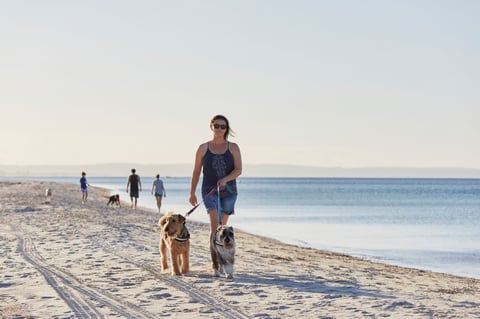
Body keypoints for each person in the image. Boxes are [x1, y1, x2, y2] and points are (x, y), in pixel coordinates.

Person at [189, 114, 242, 246]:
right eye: (216, 126)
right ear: (211, 127)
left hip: (229, 192)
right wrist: (192, 193)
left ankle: (221, 253)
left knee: (222, 227)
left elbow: (238, 170)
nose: (219, 128)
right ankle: (214, 260)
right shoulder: (203, 148)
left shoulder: (233, 147)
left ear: (226, 129)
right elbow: (196, 171)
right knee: (215, 227)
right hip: (209, 191)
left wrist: (225, 179)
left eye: (223, 126)